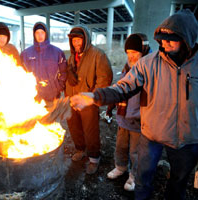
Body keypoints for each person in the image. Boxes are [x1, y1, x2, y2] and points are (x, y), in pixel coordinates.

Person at [70, 9, 198, 200]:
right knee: (142, 179)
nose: (165, 43)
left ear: (187, 39)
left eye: (172, 39)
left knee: (178, 183)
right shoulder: (148, 64)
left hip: (187, 139)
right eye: (162, 38)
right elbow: (123, 87)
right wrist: (95, 96)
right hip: (152, 133)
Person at [106, 33, 151, 192]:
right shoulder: (127, 68)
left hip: (139, 121)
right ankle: (120, 167)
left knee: (136, 151)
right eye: (128, 53)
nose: (131, 56)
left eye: (135, 53)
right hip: (123, 118)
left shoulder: (150, 70)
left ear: (143, 51)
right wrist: (110, 108)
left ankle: (134, 176)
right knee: (121, 146)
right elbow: (119, 90)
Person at [66, 25, 113, 174]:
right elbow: (68, 76)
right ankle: (81, 149)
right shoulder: (72, 57)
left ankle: (94, 158)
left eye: (79, 39)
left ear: (85, 39)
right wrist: (68, 75)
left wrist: (93, 96)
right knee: (74, 127)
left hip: (88, 101)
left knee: (91, 130)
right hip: (73, 99)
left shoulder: (97, 55)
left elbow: (105, 78)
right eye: (74, 40)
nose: (76, 43)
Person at [20, 22, 67, 103]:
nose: (40, 35)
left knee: (52, 115)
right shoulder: (26, 53)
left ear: (46, 34)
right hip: (33, 97)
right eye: (37, 33)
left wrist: (58, 87)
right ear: (34, 34)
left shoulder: (57, 52)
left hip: (53, 96)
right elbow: (20, 73)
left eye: (42, 33)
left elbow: (64, 71)